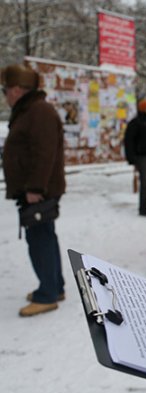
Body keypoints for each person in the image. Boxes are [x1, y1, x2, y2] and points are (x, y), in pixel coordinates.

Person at [1, 64, 66, 317]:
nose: (5, 95)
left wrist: (35, 188)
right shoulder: (32, 110)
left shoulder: (38, 111)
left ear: (17, 90)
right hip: (36, 188)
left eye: (5, 90)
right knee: (45, 236)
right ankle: (55, 286)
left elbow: (43, 153)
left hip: (38, 190)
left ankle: (47, 294)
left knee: (39, 239)